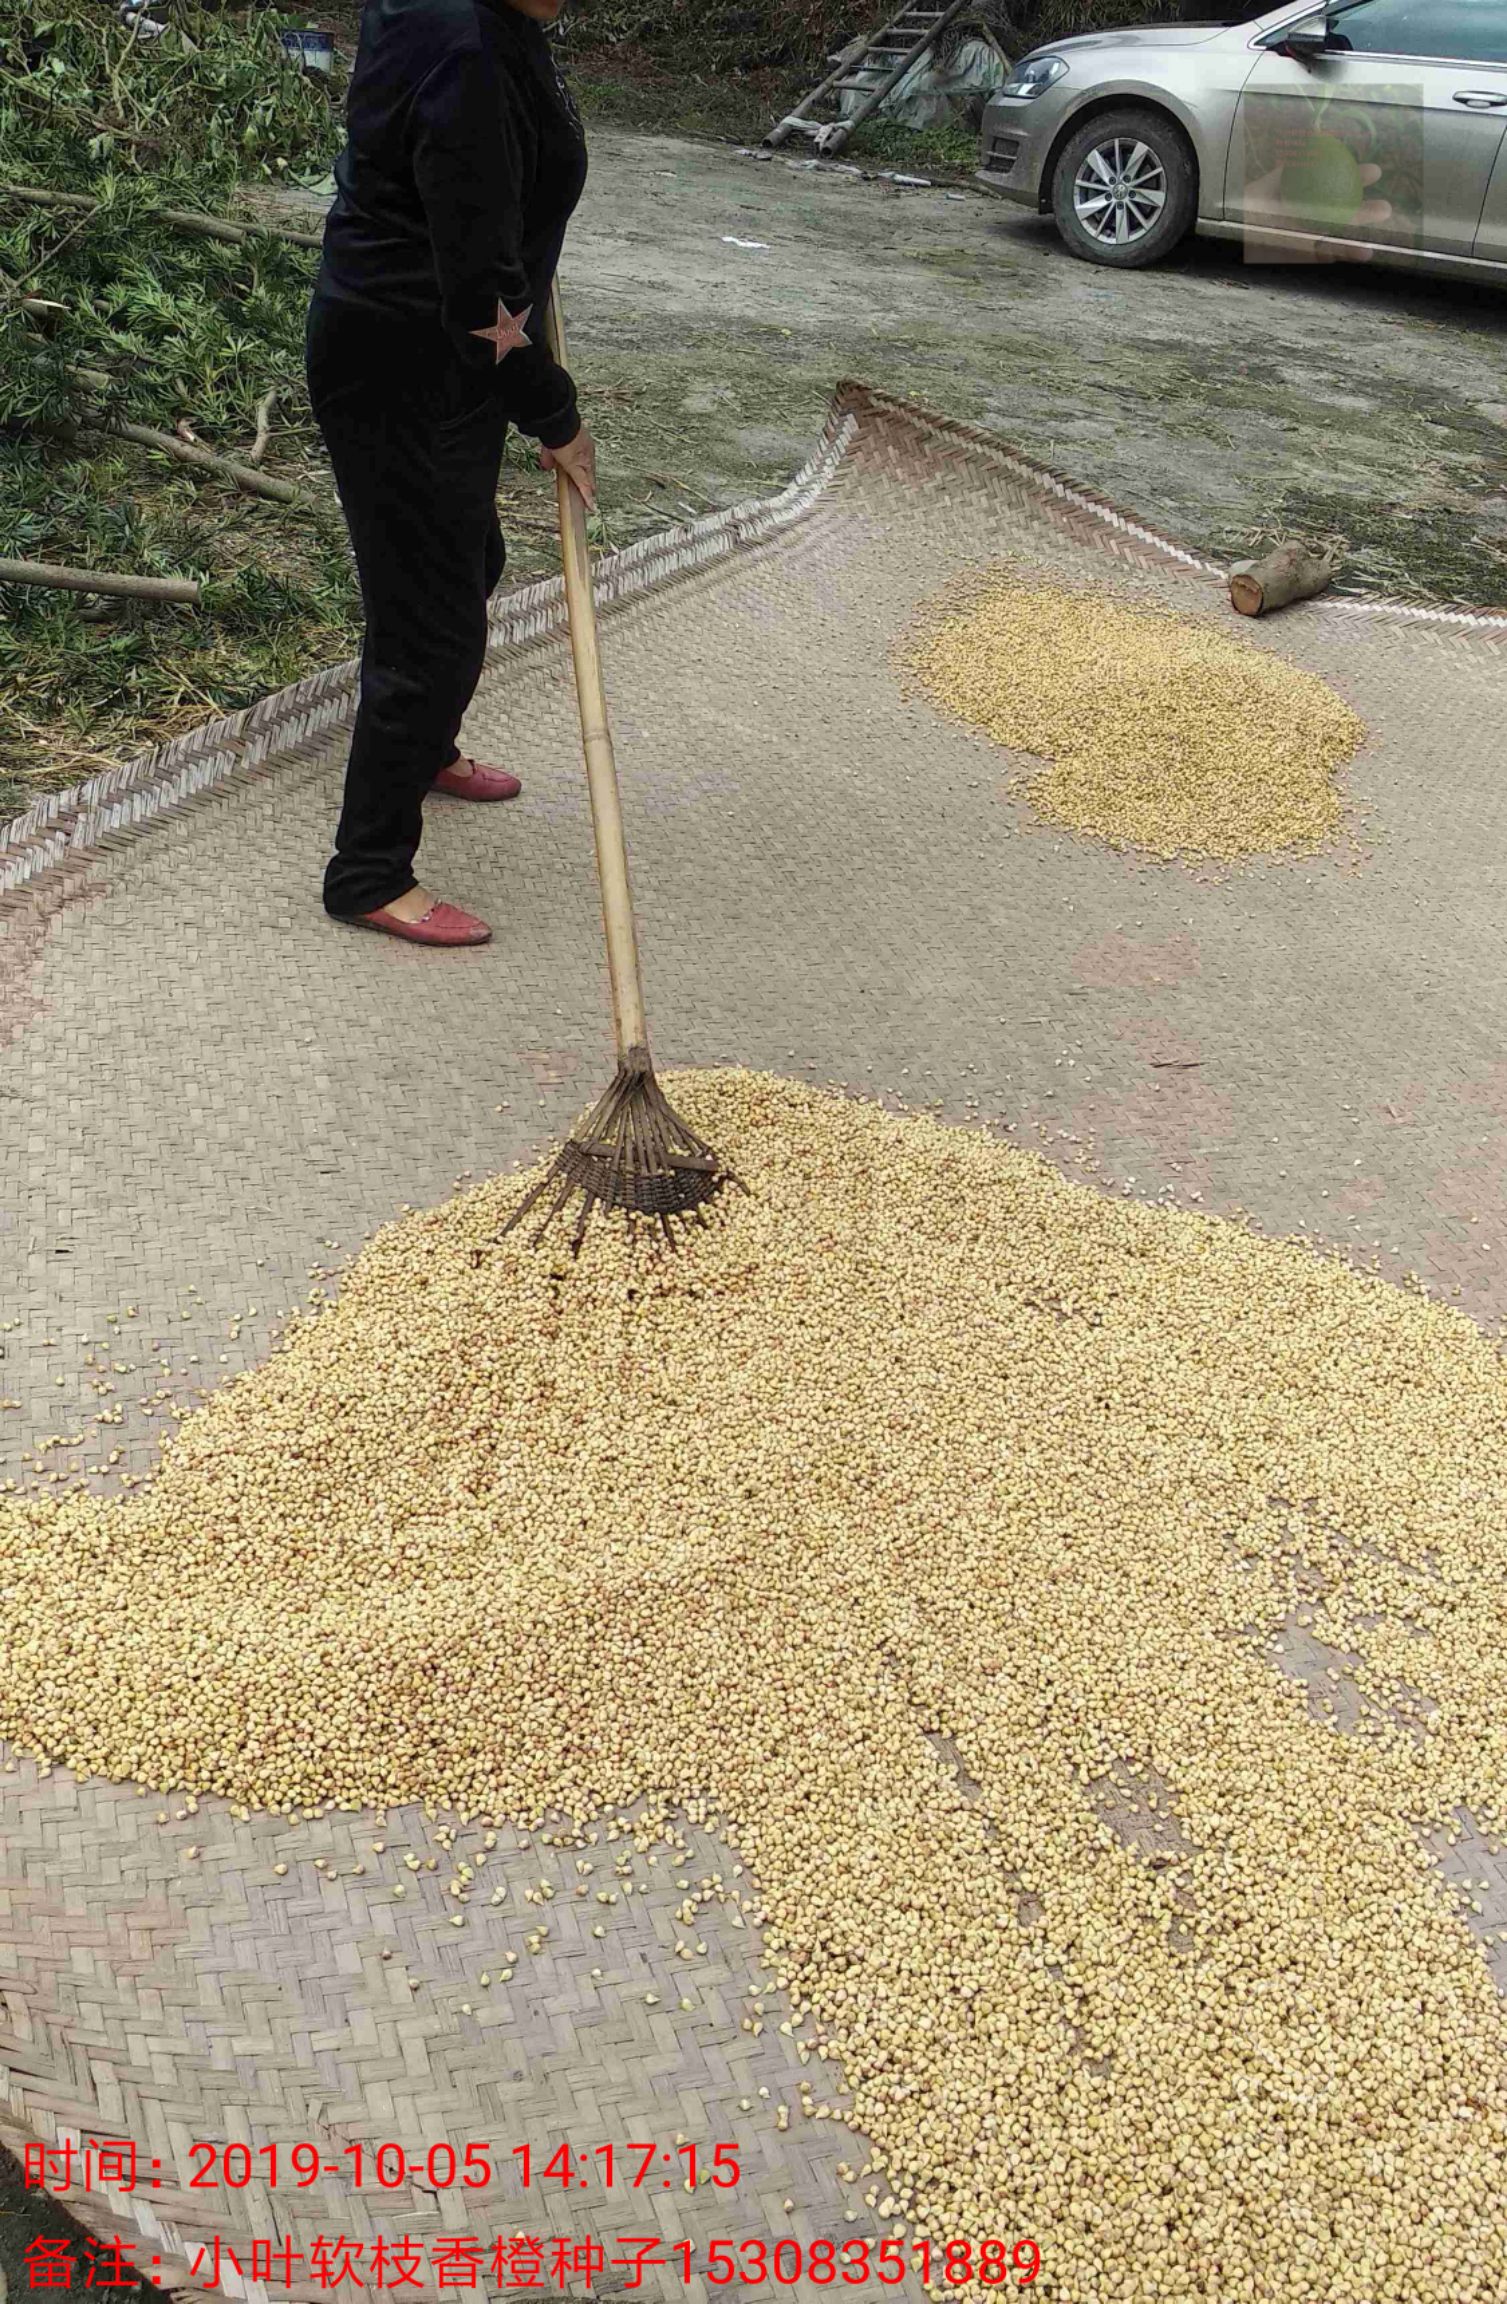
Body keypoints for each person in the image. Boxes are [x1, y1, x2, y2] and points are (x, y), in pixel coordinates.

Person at [305, 0, 597, 947]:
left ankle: (424, 748)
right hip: (405, 360)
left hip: (437, 350)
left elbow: (477, 203)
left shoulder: (487, 17)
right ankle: (369, 871)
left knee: (468, 562)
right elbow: (478, 289)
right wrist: (553, 414)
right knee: (431, 632)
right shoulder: (462, 43)